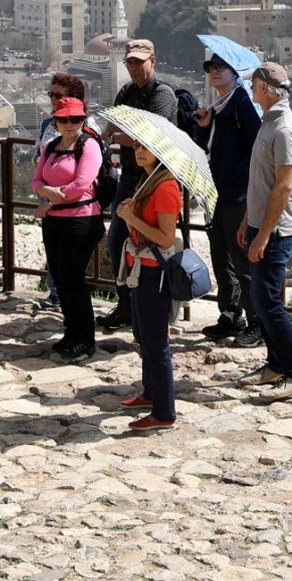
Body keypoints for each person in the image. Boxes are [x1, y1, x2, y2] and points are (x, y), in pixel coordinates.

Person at [241, 61, 292, 396]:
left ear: (266, 88)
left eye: (253, 85)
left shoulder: (285, 130)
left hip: (276, 229)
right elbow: (262, 179)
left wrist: (264, 234)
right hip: (259, 223)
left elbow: (283, 187)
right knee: (260, 297)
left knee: (268, 300)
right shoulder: (270, 123)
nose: (250, 90)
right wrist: (247, 220)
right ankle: (276, 364)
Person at [99, 38, 177, 331]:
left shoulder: (163, 95)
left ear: (152, 62)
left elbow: (152, 139)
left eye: (139, 62)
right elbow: (114, 123)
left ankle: (153, 305)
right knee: (118, 238)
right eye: (130, 62)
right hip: (130, 177)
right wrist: (110, 134)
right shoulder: (127, 91)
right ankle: (127, 305)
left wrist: (119, 138)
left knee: (152, 241)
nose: (133, 68)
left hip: (154, 179)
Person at [190, 53, 261, 344]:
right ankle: (231, 315)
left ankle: (257, 323)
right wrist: (204, 126)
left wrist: (239, 180)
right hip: (217, 192)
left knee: (241, 259)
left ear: (235, 72)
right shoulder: (219, 104)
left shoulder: (242, 102)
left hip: (237, 194)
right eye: (210, 68)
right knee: (221, 255)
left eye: (220, 68)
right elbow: (207, 145)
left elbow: (256, 147)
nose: (214, 72)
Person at [114, 153, 184, 432]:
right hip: (140, 268)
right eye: (137, 146)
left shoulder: (166, 186)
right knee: (143, 334)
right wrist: (127, 216)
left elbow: (166, 238)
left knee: (156, 342)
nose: (139, 151)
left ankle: (164, 412)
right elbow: (139, 232)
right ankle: (150, 393)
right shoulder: (148, 182)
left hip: (154, 272)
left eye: (146, 147)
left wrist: (131, 217)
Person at [32, 98, 104, 361]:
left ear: (83, 120)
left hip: (82, 219)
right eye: (64, 119)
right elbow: (36, 179)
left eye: (75, 119)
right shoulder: (51, 146)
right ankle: (71, 332)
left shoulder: (89, 146)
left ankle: (84, 339)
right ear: (56, 122)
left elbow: (82, 183)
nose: (70, 124)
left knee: (73, 279)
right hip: (55, 220)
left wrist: (49, 200)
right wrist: (45, 192)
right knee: (61, 279)